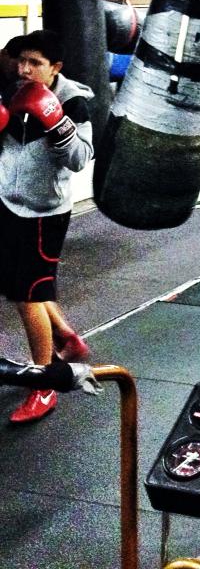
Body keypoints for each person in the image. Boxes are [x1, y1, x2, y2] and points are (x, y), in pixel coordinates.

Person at [0, 30, 95, 423]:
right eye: (22, 61)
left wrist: (56, 122)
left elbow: (81, 158)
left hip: (44, 214)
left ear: (55, 67)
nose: (24, 69)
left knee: (29, 297)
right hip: (6, 202)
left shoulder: (72, 101)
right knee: (14, 285)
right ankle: (65, 337)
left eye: (34, 63)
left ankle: (44, 385)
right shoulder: (9, 90)